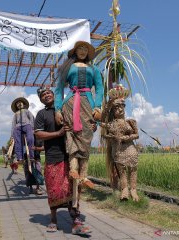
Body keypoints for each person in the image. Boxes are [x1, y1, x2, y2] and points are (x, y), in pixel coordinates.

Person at [35, 87, 91, 235]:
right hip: (53, 157)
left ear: (54, 95)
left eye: (48, 93)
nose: (46, 95)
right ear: (41, 99)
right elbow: (39, 134)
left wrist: (91, 126)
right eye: (43, 95)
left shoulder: (67, 108)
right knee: (54, 191)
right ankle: (53, 220)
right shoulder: (41, 114)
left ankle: (75, 222)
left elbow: (82, 121)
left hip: (71, 156)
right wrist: (58, 133)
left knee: (72, 190)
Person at [54, 41, 104, 208]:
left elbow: (100, 88)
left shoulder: (94, 69)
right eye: (80, 49)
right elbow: (59, 88)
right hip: (70, 104)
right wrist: (57, 109)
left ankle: (84, 176)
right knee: (72, 136)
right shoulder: (68, 68)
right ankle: (73, 171)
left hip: (88, 104)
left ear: (88, 52)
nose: (82, 51)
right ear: (75, 51)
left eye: (85, 49)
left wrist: (98, 106)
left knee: (86, 138)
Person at [101, 91, 140, 201]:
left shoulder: (130, 122)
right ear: (113, 111)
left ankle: (133, 189)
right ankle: (124, 190)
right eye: (117, 108)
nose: (120, 110)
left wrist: (126, 138)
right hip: (117, 150)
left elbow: (136, 135)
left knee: (133, 169)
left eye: (122, 107)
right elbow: (102, 119)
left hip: (130, 147)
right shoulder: (111, 124)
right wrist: (109, 104)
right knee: (121, 171)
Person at [11, 97, 35, 163]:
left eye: (20, 103)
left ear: (23, 104)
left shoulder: (27, 111)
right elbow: (13, 124)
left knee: (30, 139)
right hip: (18, 127)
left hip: (27, 125)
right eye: (17, 104)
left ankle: (31, 156)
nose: (19, 104)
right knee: (17, 141)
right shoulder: (16, 114)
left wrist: (32, 128)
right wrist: (12, 135)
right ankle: (19, 157)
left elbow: (32, 119)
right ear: (16, 106)